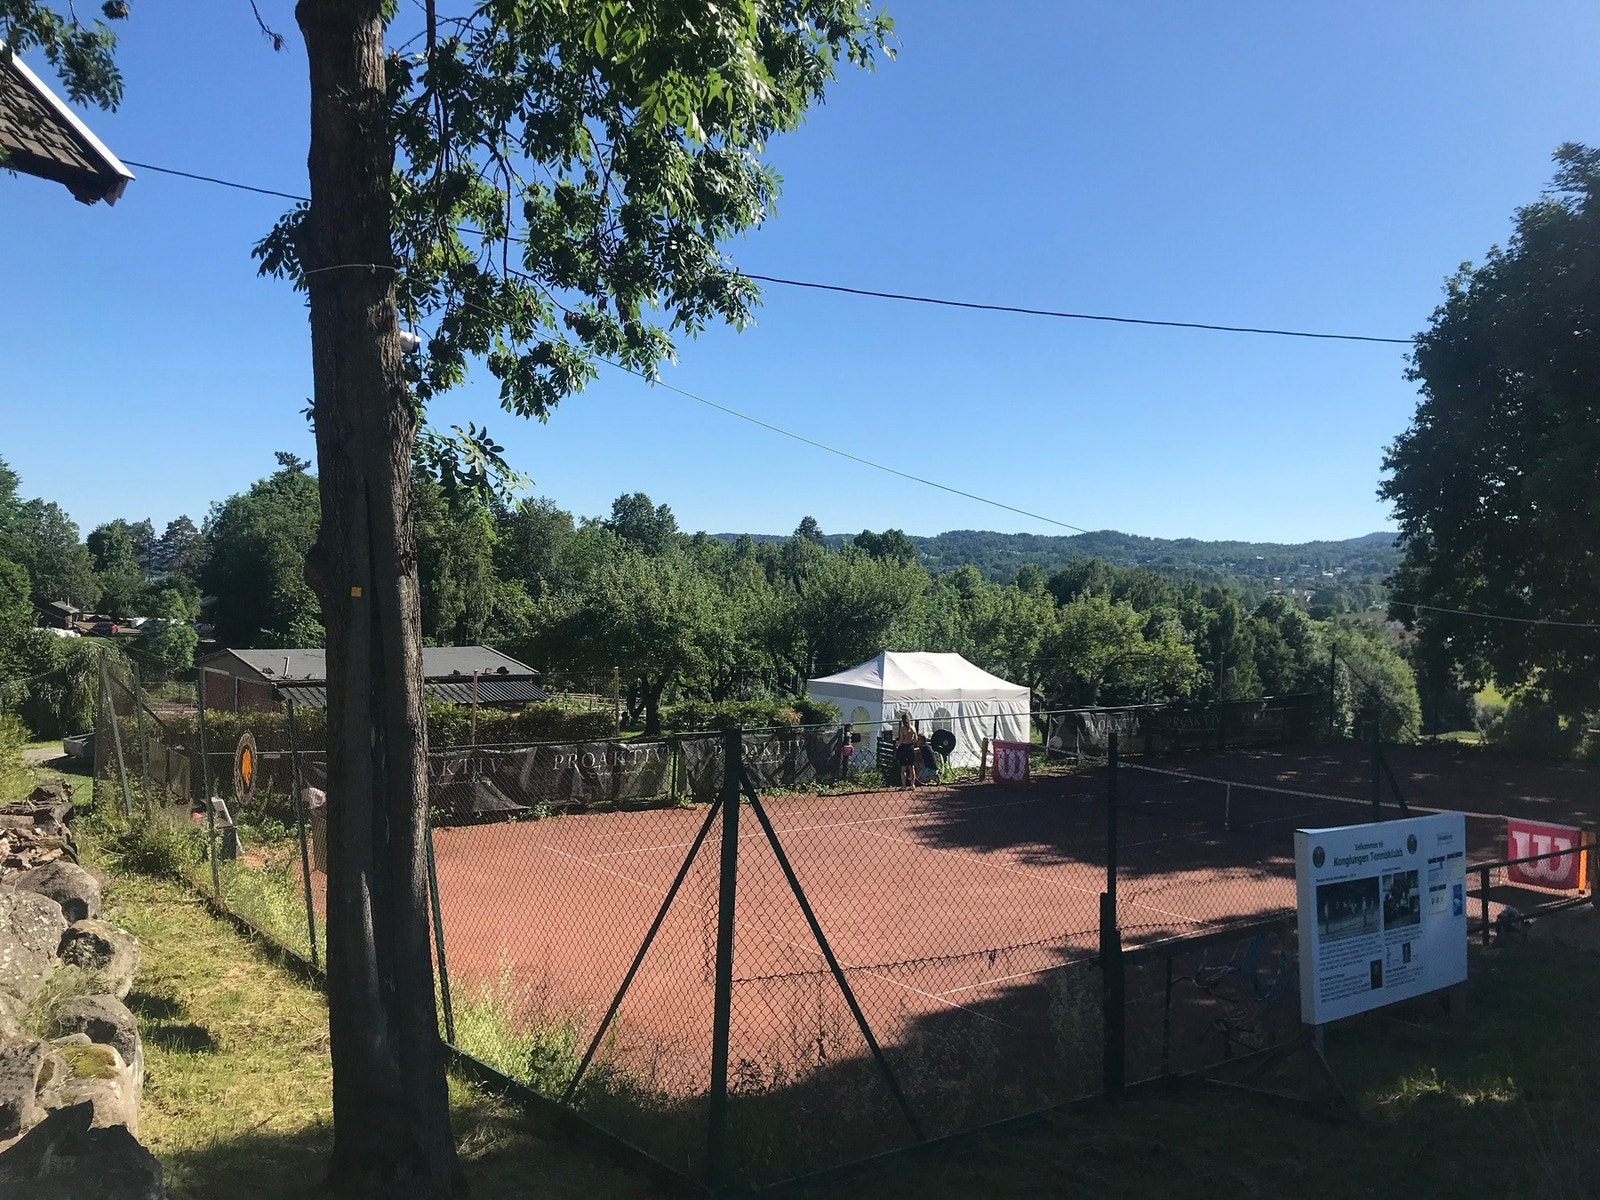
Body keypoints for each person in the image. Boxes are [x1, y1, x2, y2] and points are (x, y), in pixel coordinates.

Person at [895, 713, 917, 789]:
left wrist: (898, 743)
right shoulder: (913, 728)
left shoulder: (902, 729)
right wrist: (912, 743)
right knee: (911, 767)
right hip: (910, 747)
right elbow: (916, 738)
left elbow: (901, 739)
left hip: (904, 747)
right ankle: (912, 784)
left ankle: (904, 785)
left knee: (903, 768)